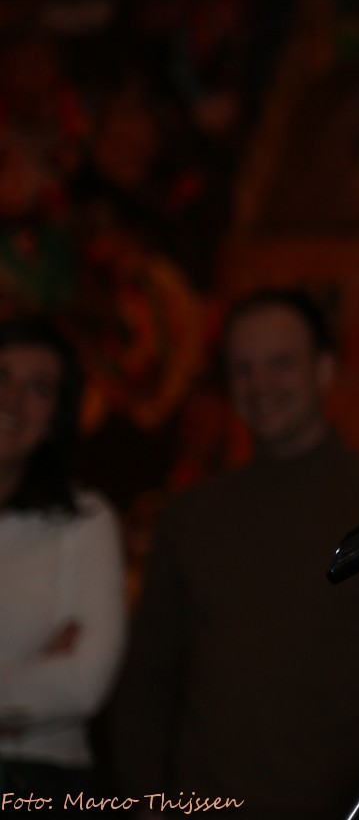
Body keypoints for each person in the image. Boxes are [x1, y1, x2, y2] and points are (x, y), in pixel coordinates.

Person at [108, 288, 359, 819]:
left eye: (281, 364)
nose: (260, 385)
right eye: (243, 369)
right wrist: (146, 798)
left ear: (324, 370)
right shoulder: (192, 516)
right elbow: (147, 678)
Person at [0, 316, 126, 802]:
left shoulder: (84, 521)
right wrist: (30, 683)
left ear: (56, 415)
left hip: (39, 786)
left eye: (38, 388)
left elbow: (84, 683)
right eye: (1, 376)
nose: (12, 401)